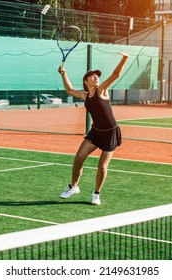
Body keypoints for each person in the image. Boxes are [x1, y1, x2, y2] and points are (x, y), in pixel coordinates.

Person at [58, 51, 129, 205]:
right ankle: (74, 187)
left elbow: (115, 75)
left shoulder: (102, 90)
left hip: (110, 133)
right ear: (86, 81)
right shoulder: (85, 95)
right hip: (96, 131)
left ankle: (96, 194)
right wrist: (63, 74)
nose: (96, 77)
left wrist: (124, 58)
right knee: (78, 158)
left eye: (97, 76)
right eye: (92, 76)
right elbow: (69, 90)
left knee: (102, 166)